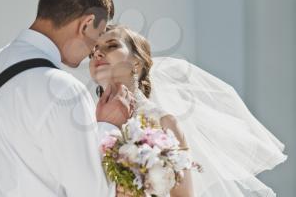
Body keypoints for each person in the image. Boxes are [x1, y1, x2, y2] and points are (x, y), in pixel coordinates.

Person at [0, 0, 132, 197]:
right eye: (98, 35)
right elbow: (91, 193)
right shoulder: (63, 90)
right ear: (86, 24)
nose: (94, 48)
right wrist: (108, 126)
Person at [89, 24, 288, 197]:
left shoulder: (163, 123)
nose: (98, 53)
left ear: (136, 62)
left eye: (112, 45)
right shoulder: (85, 117)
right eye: (93, 51)